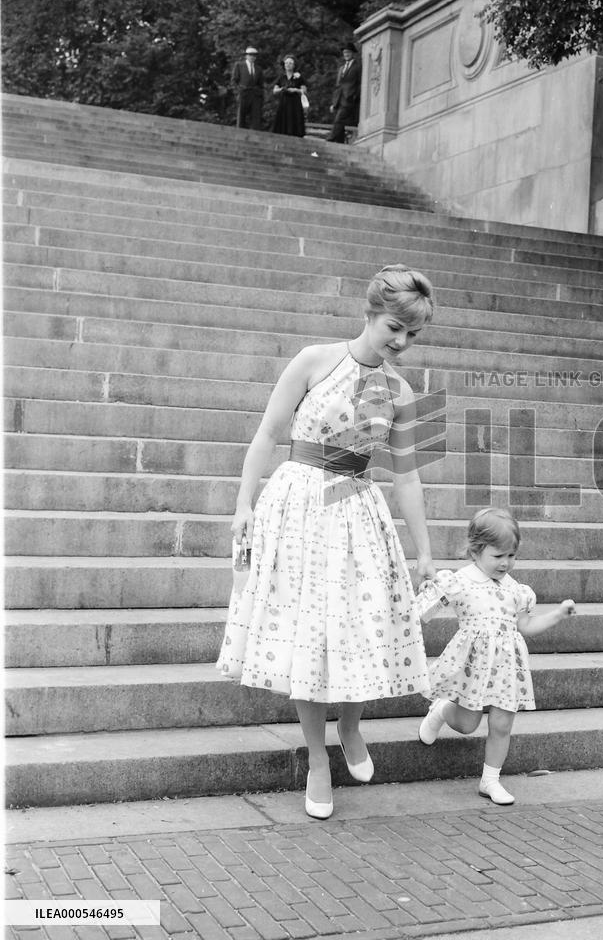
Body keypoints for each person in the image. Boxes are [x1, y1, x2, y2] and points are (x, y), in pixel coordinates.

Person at [217, 265, 438, 820]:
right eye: (395, 327)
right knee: (309, 632)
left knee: (360, 626)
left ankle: (351, 726)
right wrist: (244, 505)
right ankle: (318, 758)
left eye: (412, 335)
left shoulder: (401, 392)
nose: (402, 342)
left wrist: (425, 550)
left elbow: (407, 476)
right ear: (370, 312)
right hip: (296, 506)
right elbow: (268, 434)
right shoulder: (313, 360)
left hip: (357, 509)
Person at [414, 507, 577, 806]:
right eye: (498, 556)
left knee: (502, 724)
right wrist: (427, 592)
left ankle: (490, 780)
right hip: (473, 665)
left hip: (506, 667)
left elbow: (526, 626)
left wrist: (557, 615)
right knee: (467, 724)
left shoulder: (517, 590)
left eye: (511, 555)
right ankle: (440, 711)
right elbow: (423, 613)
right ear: (476, 551)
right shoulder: (460, 581)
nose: (506, 563)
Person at [327, 41, 362, 143]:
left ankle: (331, 138)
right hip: (339, 99)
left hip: (349, 98)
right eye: (345, 52)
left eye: (348, 52)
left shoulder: (358, 66)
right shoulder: (341, 68)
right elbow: (338, 86)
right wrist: (333, 103)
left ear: (352, 53)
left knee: (339, 119)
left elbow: (360, 83)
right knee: (340, 123)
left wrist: (355, 96)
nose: (346, 54)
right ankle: (339, 142)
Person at [271, 55, 307, 137]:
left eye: (290, 63)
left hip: (295, 103)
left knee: (294, 122)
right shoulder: (281, 77)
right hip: (284, 103)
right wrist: (281, 89)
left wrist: (295, 90)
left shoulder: (299, 77)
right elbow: (274, 90)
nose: (288, 65)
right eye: (286, 63)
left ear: (294, 65)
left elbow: (304, 90)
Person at [231, 46, 265, 130]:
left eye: (254, 55)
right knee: (241, 115)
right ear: (246, 56)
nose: (252, 57)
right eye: (250, 55)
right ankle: (239, 133)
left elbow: (261, 84)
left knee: (255, 117)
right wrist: (239, 90)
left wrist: (260, 93)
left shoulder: (258, 69)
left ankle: (255, 134)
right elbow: (234, 80)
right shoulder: (239, 65)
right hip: (243, 93)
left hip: (255, 95)